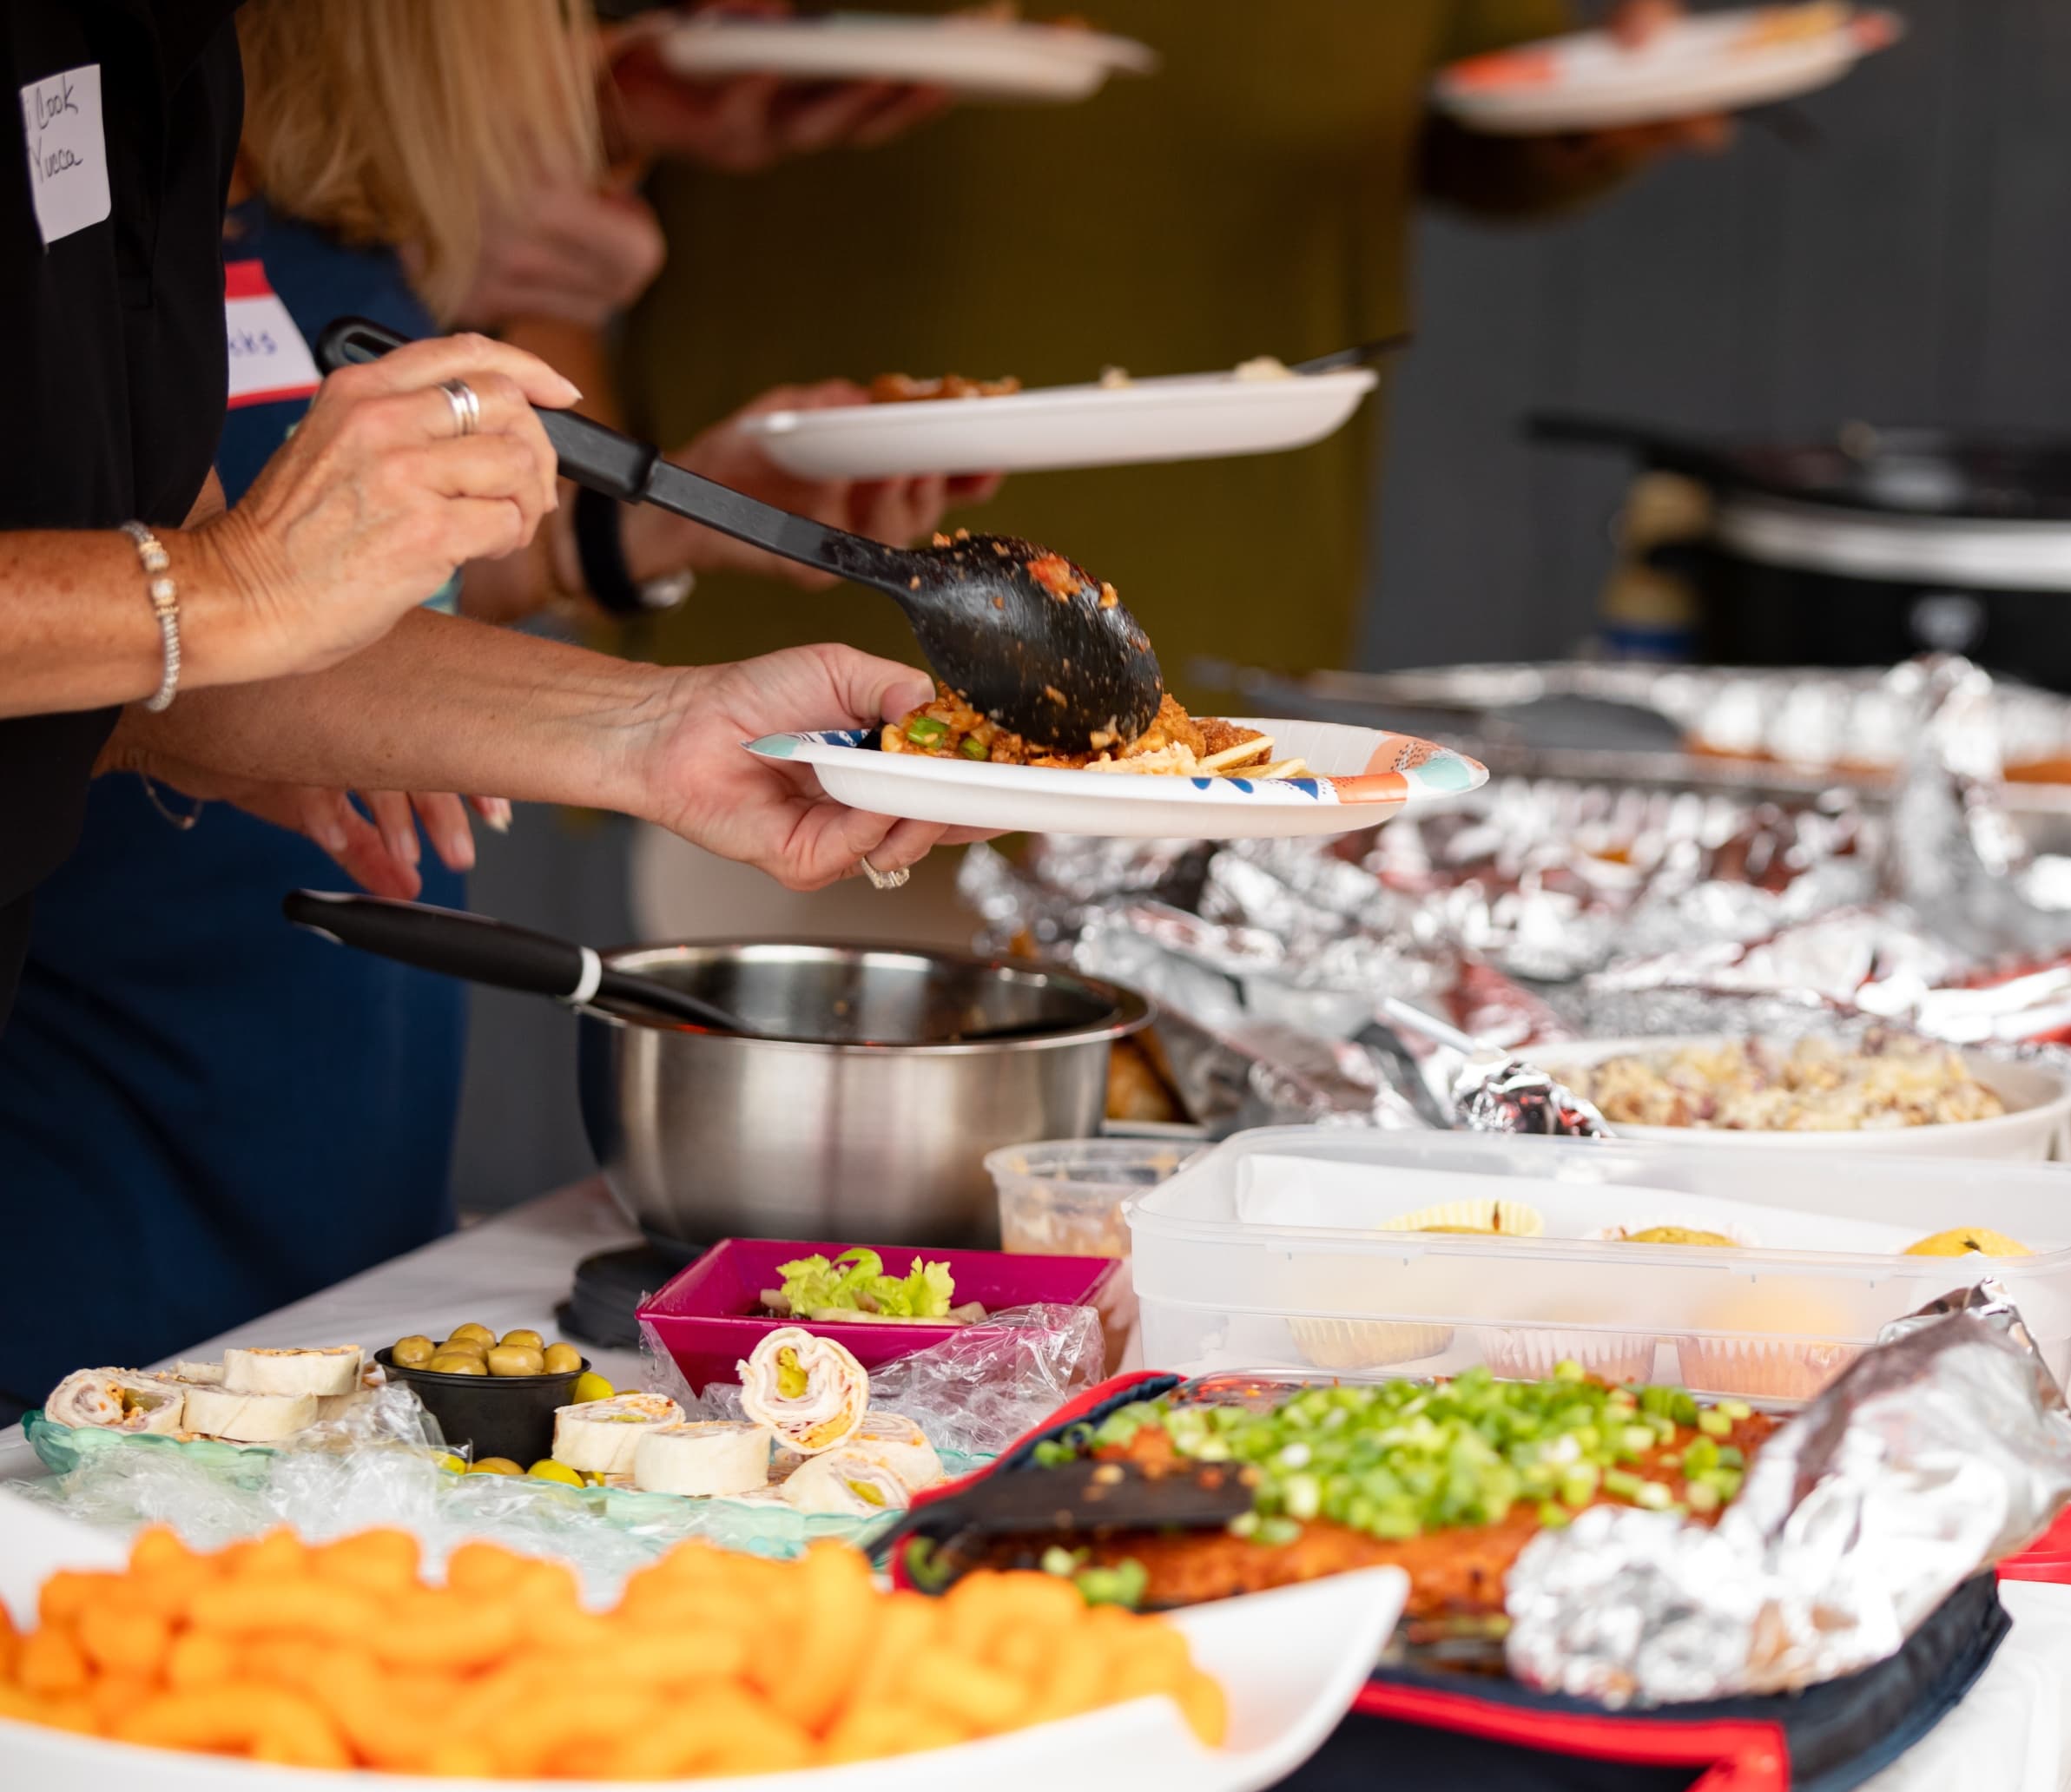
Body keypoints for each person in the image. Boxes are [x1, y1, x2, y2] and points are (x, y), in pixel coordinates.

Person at [0, 0, 977, 1407]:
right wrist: (229, 586)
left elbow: (166, 655)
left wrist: (668, 733)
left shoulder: (158, 66)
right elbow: (202, 601)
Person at [607, 0, 1719, 939]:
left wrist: (1600, 115)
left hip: (1239, 565)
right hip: (793, 579)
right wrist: (593, 536)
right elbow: (536, 115)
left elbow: (1480, 104)